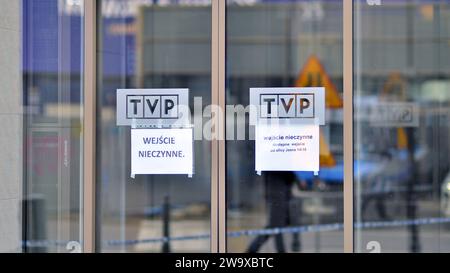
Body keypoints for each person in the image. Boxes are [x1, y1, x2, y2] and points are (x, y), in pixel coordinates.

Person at [247, 171, 299, 253]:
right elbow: (289, 176)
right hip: (278, 196)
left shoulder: (275, 165)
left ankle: (252, 248)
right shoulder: (275, 165)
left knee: (276, 225)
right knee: (277, 226)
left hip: (281, 194)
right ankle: (253, 248)